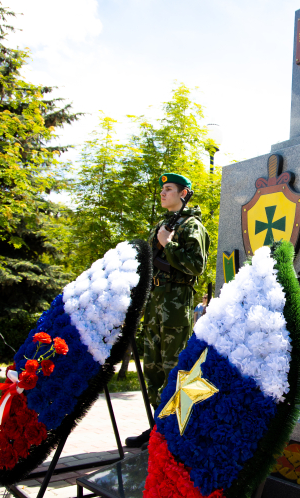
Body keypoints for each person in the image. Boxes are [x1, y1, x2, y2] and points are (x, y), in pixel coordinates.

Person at [125, 173, 210, 449]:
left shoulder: (191, 226)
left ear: (184, 193)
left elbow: (196, 266)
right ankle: (158, 428)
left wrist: (167, 244)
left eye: (169, 189)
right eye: (162, 189)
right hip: (154, 308)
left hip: (175, 309)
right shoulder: (162, 225)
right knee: (153, 371)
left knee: (175, 371)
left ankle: (177, 434)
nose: (163, 193)